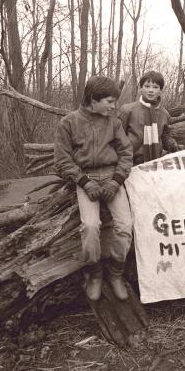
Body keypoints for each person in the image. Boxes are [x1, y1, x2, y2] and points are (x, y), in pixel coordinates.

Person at [54, 76, 133, 301]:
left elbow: (126, 154)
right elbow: (62, 160)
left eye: (114, 101)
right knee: (90, 226)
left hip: (111, 177)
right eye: (109, 101)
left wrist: (116, 180)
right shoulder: (68, 123)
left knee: (125, 226)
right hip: (85, 177)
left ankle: (116, 273)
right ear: (93, 99)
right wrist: (84, 182)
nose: (114, 105)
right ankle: (95, 274)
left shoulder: (114, 122)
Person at [119, 70, 182, 165]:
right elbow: (118, 138)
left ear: (160, 91)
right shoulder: (127, 110)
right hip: (130, 162)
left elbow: (165, 137)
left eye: (155, 87)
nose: (151, 90)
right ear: (140, 89)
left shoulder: (164, 114)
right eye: (147, 86)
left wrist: (173, 146)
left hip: (155, 163)